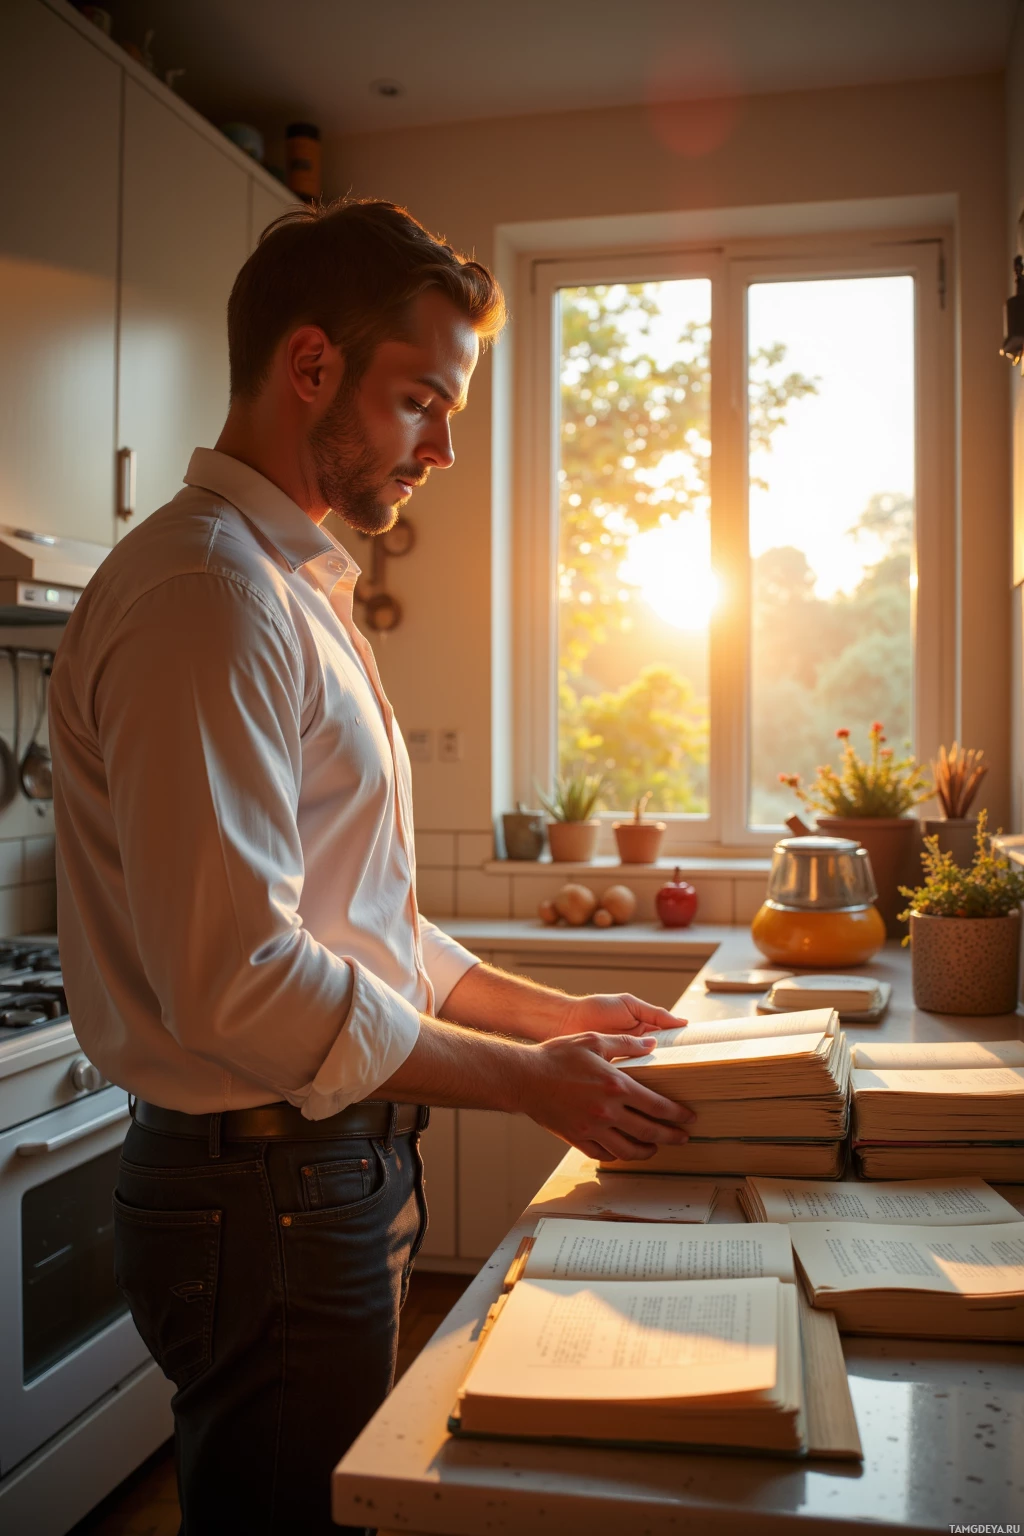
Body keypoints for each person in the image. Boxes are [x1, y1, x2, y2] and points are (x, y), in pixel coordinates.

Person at [49, 199, 693, 1536]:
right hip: (267, 1189)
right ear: (309, 367)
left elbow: (364, 924)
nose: (445, 448)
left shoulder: (288, 590)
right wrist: (524, 1085)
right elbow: (241, 981)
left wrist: (551, 1017)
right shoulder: (208, 597)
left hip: (309, 1178)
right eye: (420, 402)